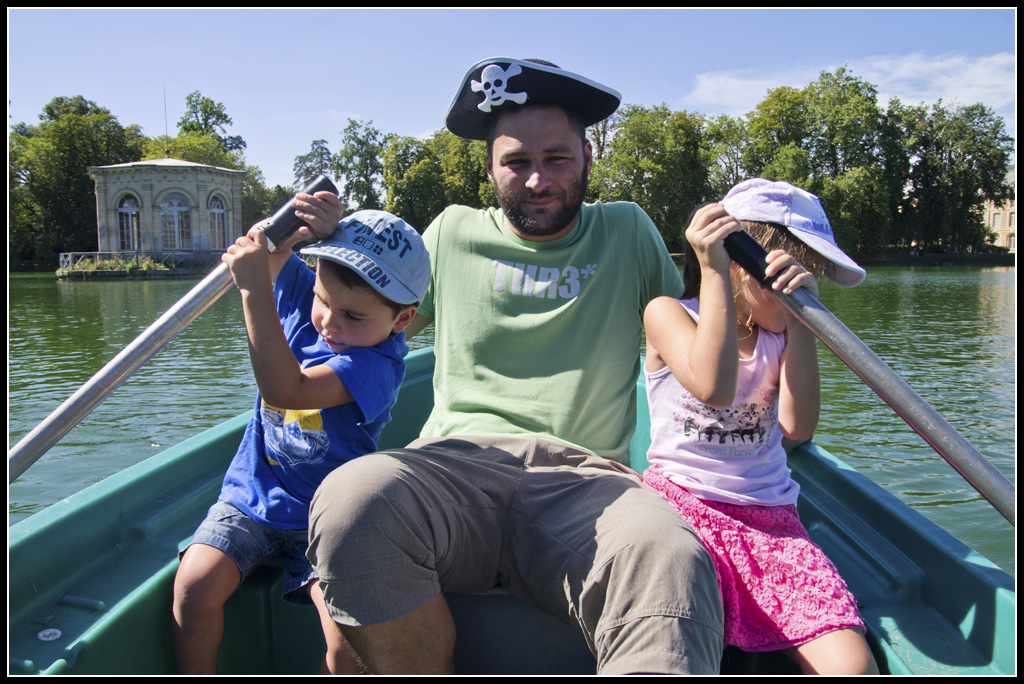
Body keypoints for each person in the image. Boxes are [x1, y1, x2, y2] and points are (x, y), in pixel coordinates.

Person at [306, 58, 723, 674]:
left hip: (588, 483)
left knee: (670, 555)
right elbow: (361, 328)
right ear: (491, 168)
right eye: (516, 162)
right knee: (351, 499)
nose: (536, 180)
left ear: (587, 155)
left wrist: (746, 287)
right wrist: (301, 268)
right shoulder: (449, 232)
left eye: (556, 158)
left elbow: (698, 349)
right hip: (451, 466)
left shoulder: (628, 230)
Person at [171, 202, 431, 675]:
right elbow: (262, 244)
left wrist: (253, 292)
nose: (330, 323)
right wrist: (306, 224)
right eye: (323, 300)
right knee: (194, 585)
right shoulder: (301, 288)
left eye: (353, 316)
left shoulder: (378, 366)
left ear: (402, 319)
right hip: (251, 498)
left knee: (347, 645)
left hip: (326, 519)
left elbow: (286, 390)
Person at [641, 179, 878, 674]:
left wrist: (803, 323)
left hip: (773, 524)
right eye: (794, 281)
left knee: (853, 667)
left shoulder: (786, 336)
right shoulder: (667, 314)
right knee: (675, 647)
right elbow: (715, 386)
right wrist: (713, 271)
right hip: (683, 512)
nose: (805, 293)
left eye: (811, 283)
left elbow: (797, 425)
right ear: (743, 265)